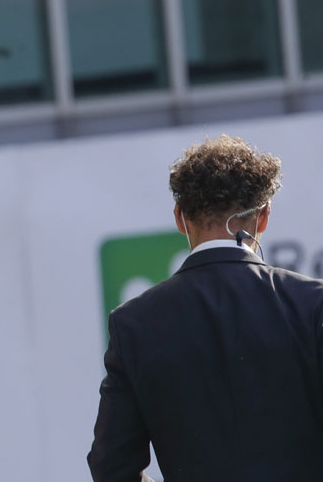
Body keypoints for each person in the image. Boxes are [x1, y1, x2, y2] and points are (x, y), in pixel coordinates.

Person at [88, 135, 323, 482]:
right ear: (264, 217)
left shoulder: (134, 324)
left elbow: (112, 469)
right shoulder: (312, 304)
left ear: (180, 218)